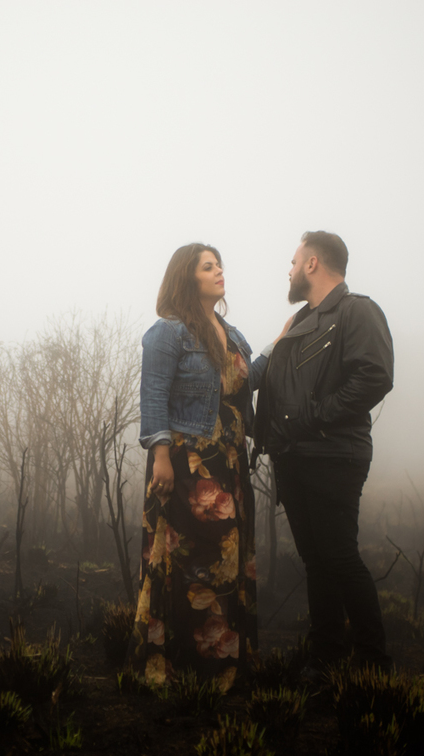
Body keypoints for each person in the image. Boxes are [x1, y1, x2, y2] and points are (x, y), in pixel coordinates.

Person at [253, 230, 394, 675]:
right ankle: (326, 654)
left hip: (334, 455)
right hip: (294, 458)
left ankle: (373, 662)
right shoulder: (298, 322)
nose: (290, 270)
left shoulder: (357, 311)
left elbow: (374, 376)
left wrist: (315, 417)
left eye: (294, 262)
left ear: (313, 264)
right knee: (316, 560)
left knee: (339, 557)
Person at [128, 243, 267, 687]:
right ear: (188, 278)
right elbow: (153, 396)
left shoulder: (231, 332)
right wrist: (161, 457)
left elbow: (247, 377)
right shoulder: (169, 333)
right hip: (190, 463)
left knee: (228, 558)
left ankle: (223, 665)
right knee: (194, 562)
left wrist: (286, 338)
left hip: (229, 463)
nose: (219, 271)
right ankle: (186, 667)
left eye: (219, 263)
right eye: (208, 266)